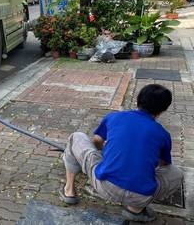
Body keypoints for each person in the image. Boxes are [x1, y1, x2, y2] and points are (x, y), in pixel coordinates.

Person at [61, 84, 184, 223]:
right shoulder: (163, 134)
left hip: (104, 186)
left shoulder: (115, 117)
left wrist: (110, 148)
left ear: (138, 100)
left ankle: (69, 191)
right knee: (176, 173)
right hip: (141, 195)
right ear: (163, 110)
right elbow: (164, 164)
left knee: (76, 137)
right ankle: (135, 210)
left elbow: (96, 143)